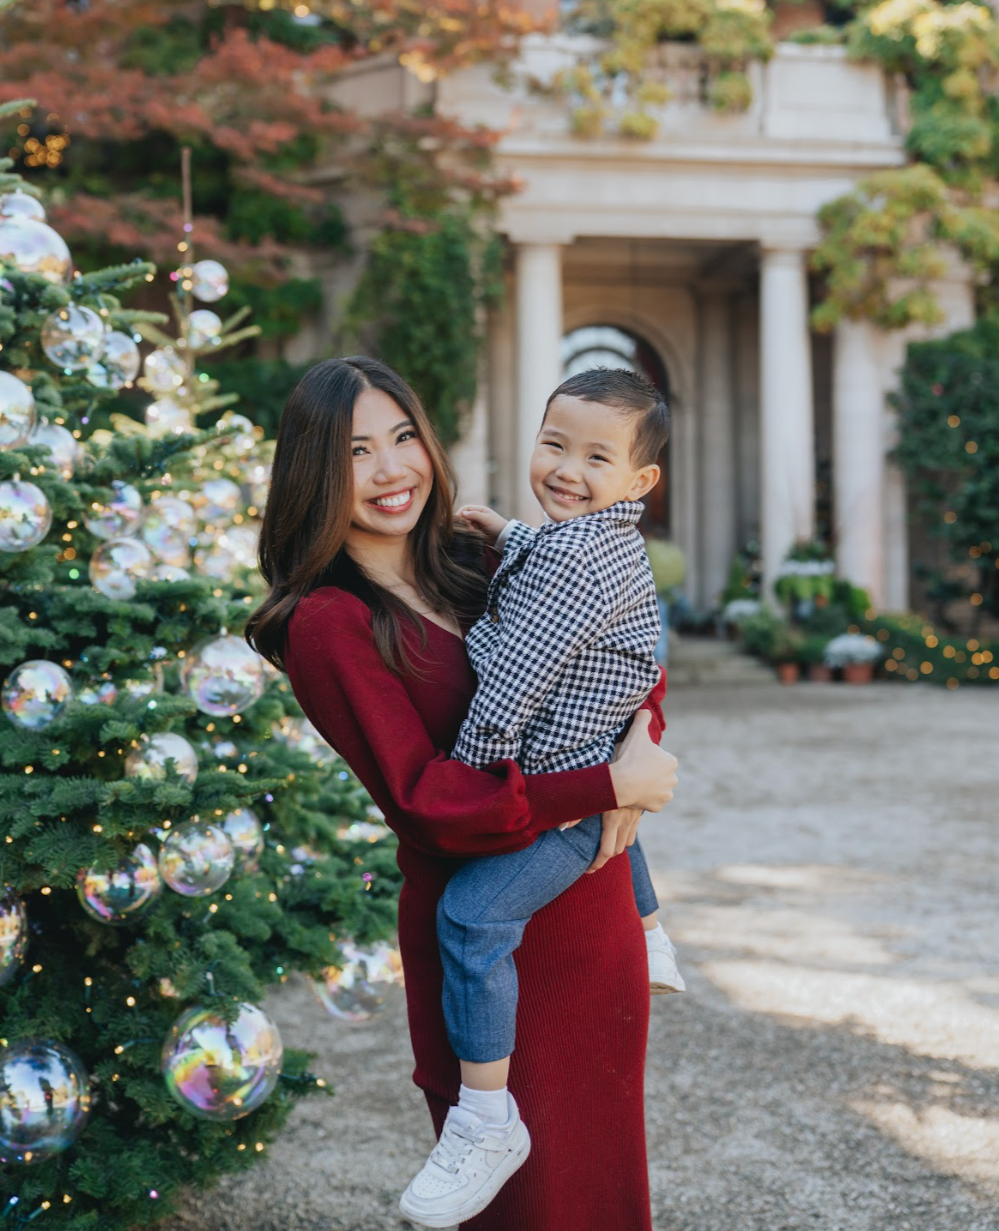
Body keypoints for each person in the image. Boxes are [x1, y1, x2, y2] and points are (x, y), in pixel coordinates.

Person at [245, 356, 678, 1231]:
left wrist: (640, 747)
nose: (391, 468)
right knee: (523, 1209)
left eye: (402, 437)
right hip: (484, 934)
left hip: (587, 911)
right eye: (355, 451)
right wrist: (607, 783)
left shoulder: (477, 553)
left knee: (603, 1187)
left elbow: (619, 657)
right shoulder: (327, 621)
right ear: (313, 470)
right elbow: (428, 801)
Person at [399, 367, 685, 1228]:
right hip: (600, 759)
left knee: (471, 918)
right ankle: (650, 928)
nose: (566, 467)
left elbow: (512, 685)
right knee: (615, 802)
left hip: (561, 801)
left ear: (638, 482)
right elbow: (565, 565)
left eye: (595, 456)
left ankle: (486, 1118)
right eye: (553, 443)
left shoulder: (564, 563)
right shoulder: (595, 538)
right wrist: (507, 533)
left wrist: (478, 776)